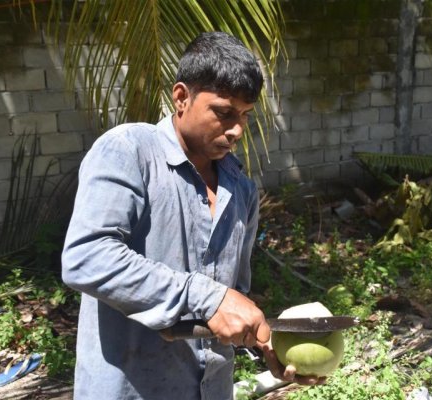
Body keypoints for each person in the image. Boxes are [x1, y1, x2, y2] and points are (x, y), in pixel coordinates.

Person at [62, 31, 320, 400]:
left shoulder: (241, 190)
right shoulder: (129, 151)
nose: (236, 131)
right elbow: (86, 257)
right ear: (181, 97)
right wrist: (206, 297)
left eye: (245, 116)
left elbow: (231, 301)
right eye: (224, 113)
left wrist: (268, 347)